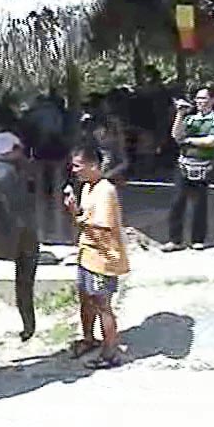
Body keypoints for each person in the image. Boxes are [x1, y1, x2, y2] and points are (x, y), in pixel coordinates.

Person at [63, 145, 129, 369]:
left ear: (93, 166)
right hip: (86, 253)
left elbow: (101, 228)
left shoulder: (105, 191)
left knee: (102, 305)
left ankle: (110, 352)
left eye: (77, 166)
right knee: (85, 300)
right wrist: (75, 211)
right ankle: (89, 339)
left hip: (103, 256)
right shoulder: (86, 188)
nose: (73, 170)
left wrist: (75, 214)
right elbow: (84, 220)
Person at [161, 89, 214, 252]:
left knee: (199, 203)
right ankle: (175, 240)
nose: (199, 101)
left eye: (203, 98)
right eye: (197, 98)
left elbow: (211, 140)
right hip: (184, 163)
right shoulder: (189, 119)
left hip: (204, 164)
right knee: (177, 201)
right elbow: (176, 136)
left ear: (212, 100)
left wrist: (189, 140)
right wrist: (180, 114)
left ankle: (198, 239)